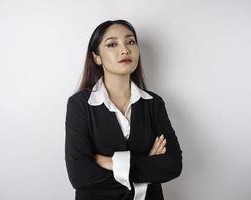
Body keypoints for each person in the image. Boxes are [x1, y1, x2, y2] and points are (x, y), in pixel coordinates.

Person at [65, 19, 183, 200]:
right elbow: (80, 176)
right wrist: (148, 169)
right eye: (112, 44)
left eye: (130, 42)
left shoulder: (153, 103)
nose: (125, 49)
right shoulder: (79, 105)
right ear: (96, 57)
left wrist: (110, 162)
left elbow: (173, 165)